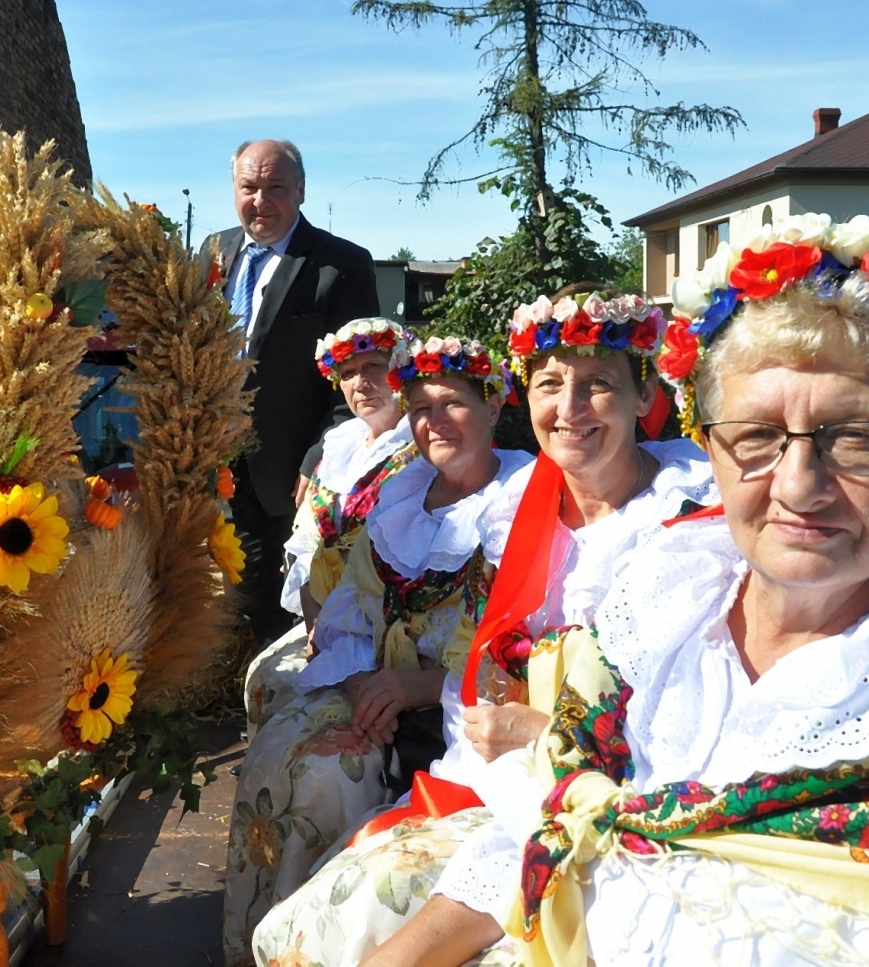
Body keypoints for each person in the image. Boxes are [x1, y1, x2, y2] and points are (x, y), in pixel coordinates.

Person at [360, 214, 869, 966]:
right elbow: (561, 820)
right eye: (756, 437)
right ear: (707, 447)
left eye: (857, 436)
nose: (800, 483)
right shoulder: (662, 613)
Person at [250, 287, 719, 966]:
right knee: (318, 902)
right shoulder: (536, 506)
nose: (570, 408)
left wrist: (530, 726)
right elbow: (494, 659)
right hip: (505, 771)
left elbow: (690, 713)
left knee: (361, 903)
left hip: (611, 797)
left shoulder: (688, 512)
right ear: (526, 399)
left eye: (598, 385)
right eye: (552, 384)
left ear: (645, 397)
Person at [224, 334, 531, 967]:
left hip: (457, 714)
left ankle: (317, 936)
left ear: (494, 406)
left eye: (452, 403)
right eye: (419, 407)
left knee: (320, 778)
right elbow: (356, 603)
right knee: (276, 753)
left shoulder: (520, 503)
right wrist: (366, 679)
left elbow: (512, 642)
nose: (433, 421)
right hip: (376, 686)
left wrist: (415, 688)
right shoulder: (399, 493)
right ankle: (250, 943)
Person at [200, 139, 379, 642]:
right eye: (248, 188)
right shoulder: (213, 251)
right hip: (212, 463)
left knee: (279, 612)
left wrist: (320, 458)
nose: (261, 201)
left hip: (287, 473)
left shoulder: (340, 265)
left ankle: (268, 713)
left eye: (275, 188)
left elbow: (360, 381)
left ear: (300, 190)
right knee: (217, 601)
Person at [244, 318, 419, 743]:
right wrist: (316, 631)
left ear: (401, 368)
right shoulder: (340, 443)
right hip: (328, 620)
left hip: (393, 629)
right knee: (261, 679)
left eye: (374, 366)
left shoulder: (423, 443)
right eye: (347, 373)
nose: (361, 382)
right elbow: (307, 548)